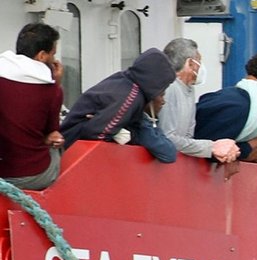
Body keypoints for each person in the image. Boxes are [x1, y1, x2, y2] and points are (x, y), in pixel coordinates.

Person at [60, 48, 178, 163]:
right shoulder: (130, 97)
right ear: (155, 82)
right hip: (73, 153)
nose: (162, 99)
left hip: (70, 145)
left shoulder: (123, 81)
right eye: (162, 89)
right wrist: (119, 134)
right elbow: (96, 133)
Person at [0, 22, 64, 190]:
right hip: (29, 175)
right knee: (58, 145)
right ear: (42, 56)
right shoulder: (50, 90)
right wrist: (56, 84)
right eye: (53, 54)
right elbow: (51, 132)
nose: (54, 60)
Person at [158, 39, 241, 165]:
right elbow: (167, 137)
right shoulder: (170, 88)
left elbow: (187, 136)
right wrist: (211, 147)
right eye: (199, 61)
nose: (201, 66)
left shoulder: (189, 90)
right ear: (190, 63)